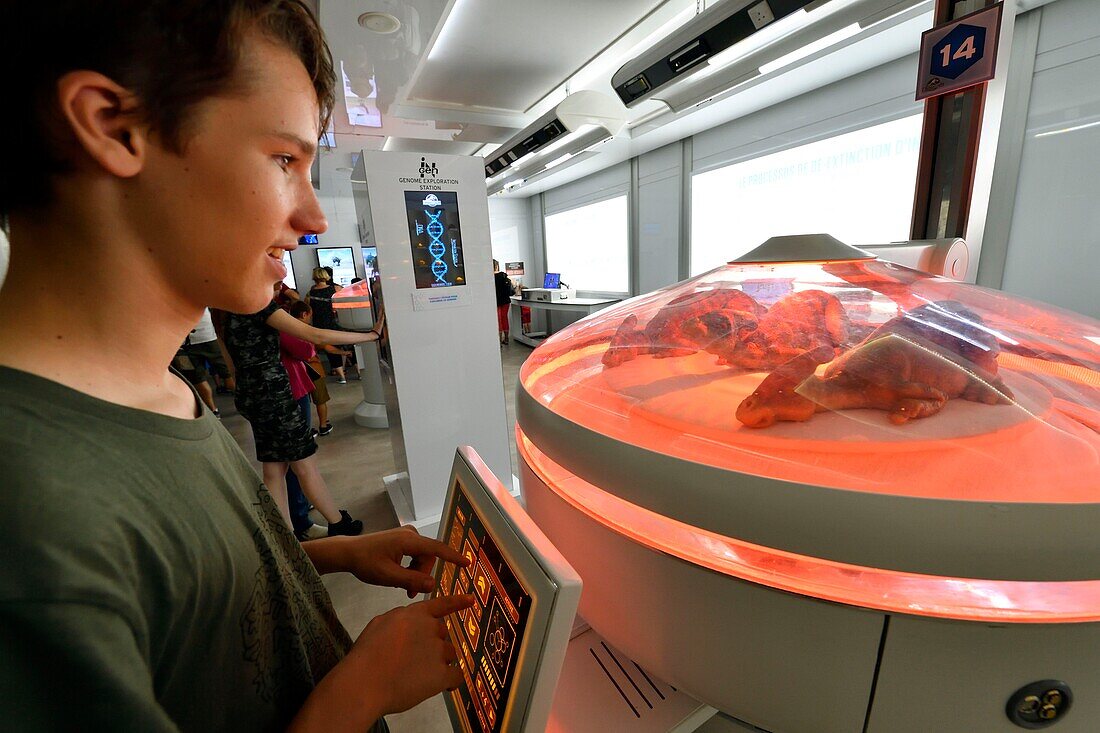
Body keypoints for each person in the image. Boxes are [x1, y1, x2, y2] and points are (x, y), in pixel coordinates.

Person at [0, 2, 475, 730]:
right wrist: (364, 688)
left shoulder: (166, 390)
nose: (315, 217)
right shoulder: (33, 522)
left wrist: (335, 553)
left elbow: (194, 606)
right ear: (110, 125)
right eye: (284, 159)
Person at [216, 302, 373, 536]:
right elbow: (313, 335)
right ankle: (338, 523)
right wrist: (371, 335)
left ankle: (286, 535)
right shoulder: (258, 306)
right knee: (304, 464)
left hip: (252, 395)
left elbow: (230, 360)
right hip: (275, 395)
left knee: (274, 467)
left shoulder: (225, 312)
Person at [289, 300, 334, 436]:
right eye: (310, 315)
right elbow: (313, 350)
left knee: (302, 403)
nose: (310, 318)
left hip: (295, 374)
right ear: (304, 314)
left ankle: (306, 429)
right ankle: (323, 425)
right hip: (313, 370)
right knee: (320, 399)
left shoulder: (288, 329)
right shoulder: (306, 331)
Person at [308, 266, 350, 382]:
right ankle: (349, 369)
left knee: (330, 349)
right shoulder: (336, 289)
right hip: (335, 322)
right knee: (341, 344)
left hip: (320, 324)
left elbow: (309, 311)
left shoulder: (310, 293)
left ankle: (341, 376)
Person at [493, 259, 515, 345]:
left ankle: (499, 340)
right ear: (497, 266)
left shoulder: (490, 278)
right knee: (504, 318)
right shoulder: (503, 276)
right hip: (506, 301)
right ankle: (506, 338)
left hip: (496, 301)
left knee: (498, 319)